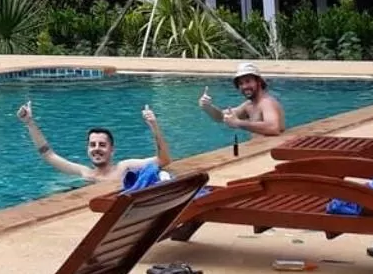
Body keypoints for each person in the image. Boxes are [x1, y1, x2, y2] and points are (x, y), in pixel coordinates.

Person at [16, 100, 172, 186]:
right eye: (92, 145)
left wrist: (154, 125)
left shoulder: (124, 168)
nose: (96, 149)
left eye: (102, 145)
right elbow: (48, 155)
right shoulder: (85, 173)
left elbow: (163, 160)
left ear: (112, 150)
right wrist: (29, 123)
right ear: (87, 149)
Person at [200, 61, 286, 137]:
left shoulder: (266, 102)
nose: (244, 86)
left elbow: (273, 128)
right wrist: (208, 107)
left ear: (258, 82)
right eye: (241, 83)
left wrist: (238, 123)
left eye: (248, 81)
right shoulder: (249, 105)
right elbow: (221, 117)